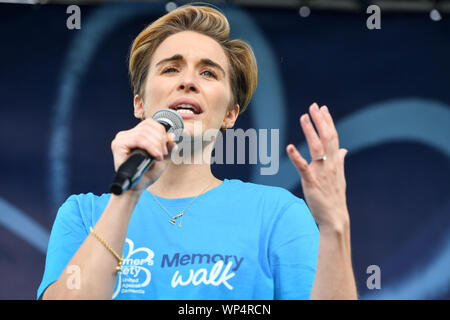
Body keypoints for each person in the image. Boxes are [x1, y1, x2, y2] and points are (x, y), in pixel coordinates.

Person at [38, 4, 357, 300]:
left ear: (231, 114)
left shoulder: (277, 214)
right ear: (139, 103)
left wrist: (335, 226)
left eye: (208, 73)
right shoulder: (83, 215)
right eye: (171, 69)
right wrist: (127, 197)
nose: (188, 81)